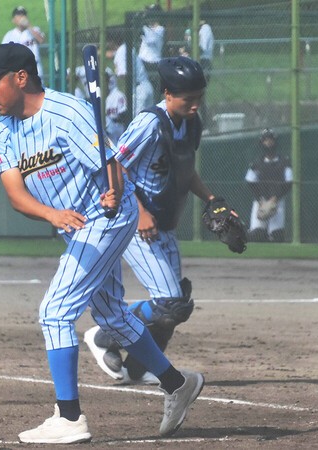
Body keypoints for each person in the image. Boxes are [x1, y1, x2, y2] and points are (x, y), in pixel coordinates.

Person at [0, 42, 204, 444]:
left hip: (108, 217)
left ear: (20, 78)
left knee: (55, 312)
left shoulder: (68, 113)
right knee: (111, 314)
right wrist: (52, 214)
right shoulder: (3, 130)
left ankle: (69, 417)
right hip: (75, 226)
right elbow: (14, 192)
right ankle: (177, 383)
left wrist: (112, 189)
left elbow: (112, 166)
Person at [84, 56, 225, 385]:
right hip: (135, 222)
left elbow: (186, 171)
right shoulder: (149, 123)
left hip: (163, 224)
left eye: (198, 98)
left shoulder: (191, 124)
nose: (194, 105)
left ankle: (139, 366)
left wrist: (212, 199)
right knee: (168, 304)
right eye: (188, 99)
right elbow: (115, 166)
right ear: (167, 94)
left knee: (178, 304)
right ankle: (104, 335)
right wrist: (140, 210)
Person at [245, 128, 293, 243]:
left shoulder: (284, 161)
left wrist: (276, 197)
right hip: (260, 202)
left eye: (271, 140)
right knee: (257, 235)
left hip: (277, 202)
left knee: (277, 237)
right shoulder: (257, 163)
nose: (268, 143)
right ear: (262, 143)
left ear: (275, 142)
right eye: (266, 140)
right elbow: (250, 181)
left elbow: (289, 182)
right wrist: (260, 199)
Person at [2, 6, 45, 78]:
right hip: (17, 70)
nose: (22, 17)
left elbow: (41, 40)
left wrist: (29, 26)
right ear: (13, 20)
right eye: (18, 15)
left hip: (35, 68)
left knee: (37, 88)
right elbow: (3, 53)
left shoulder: (34, 30)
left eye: (23, 15)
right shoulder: (9, 35)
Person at [138, 3, 165, 102]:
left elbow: (150, 41)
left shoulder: (160, 29)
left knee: (154, 92)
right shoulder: (147, 28)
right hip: (143, 61)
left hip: (153, 63)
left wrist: (143, 27)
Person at [104, 68, 128, 145]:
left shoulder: (119, 95)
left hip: (118, 128)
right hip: (110, 130)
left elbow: (123, 114)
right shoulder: (104, 96)